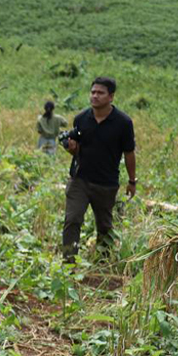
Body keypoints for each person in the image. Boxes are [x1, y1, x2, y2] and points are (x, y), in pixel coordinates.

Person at [59, 76, 137, 261]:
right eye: (93, 92)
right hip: (80, 180)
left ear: (111, 97)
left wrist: (132, 181)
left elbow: (129, 153)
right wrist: (71, 148)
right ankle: (69, 263)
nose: (95, 96)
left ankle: (103, 261)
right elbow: (77, 147)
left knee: (104, 226)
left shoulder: (123, 123)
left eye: (100, 93)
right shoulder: (81, 119)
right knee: (72, 220)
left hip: (106, 183)